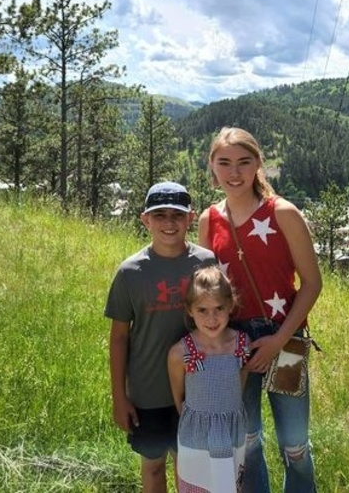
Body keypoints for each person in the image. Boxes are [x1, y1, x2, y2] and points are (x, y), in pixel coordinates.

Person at [198, 127, 323, 493]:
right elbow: (208, 289)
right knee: (246, 441)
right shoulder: (208, 220)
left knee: (295, 445)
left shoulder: (282, 213)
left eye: (243, 162)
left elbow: (312, 283)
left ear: (258, 164)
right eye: (224, 163)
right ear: (212, 165)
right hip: (233, 342)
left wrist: (278, 340)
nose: (234, 173)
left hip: (286, 338)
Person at [105, 181, 216, 493]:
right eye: (160, 215)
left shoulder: (206, 262)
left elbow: (221, 318)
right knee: (153, 467)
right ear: (146, 220)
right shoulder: (130, 272)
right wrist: (119, 397)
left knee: (190, 469)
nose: (169, 223)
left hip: (195, 391)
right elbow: (119, 338)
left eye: (177, 215)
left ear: (190, 218)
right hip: (147, 391)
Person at [168, 264, 252, 493]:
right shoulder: (180, 352)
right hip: (197, 437)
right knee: (198, 487)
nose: (212, 318)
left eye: (219, 308)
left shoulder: (242, 345)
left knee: (229, 486)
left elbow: (240, 383)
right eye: (202, 310)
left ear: (230, 305)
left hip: (232, 433)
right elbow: (179, 396)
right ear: (190, 310)